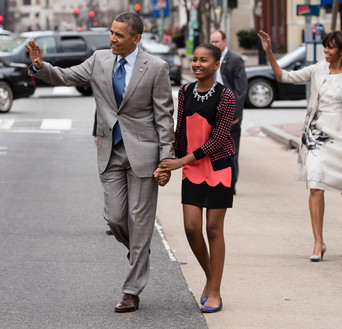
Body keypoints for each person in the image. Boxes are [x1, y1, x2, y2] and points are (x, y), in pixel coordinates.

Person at [25, 12, 175, 312]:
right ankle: (140, 251)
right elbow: (67, 76)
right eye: (111, 32)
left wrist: (166, 159)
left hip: (144, 152)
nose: (112, 39)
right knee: (116, 218)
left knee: (140, 220)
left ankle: (131, 290)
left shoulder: (156, 68)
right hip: (110, 150)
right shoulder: (98, 59)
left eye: (119, 35)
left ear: (136, 38)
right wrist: (41, 67)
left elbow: (164, 116)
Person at [258, 30, 342, 261]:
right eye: (325, 46)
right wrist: (269, 52)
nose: (325, 50)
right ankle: (318, 241)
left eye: (330, 47)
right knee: (315, 185)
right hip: (316, 137)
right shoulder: (317, 69)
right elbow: (283, 76)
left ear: (341, 51)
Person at [157, 43, 235, 313]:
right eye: (194, 59)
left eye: (204, 60)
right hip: (192, 167)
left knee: (214, 229)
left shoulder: (226, 97)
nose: (197, 64)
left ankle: (215, 291)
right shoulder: (185, 91)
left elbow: (218, 140)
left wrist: (180, 162)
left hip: (217, 166)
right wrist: (167, 164)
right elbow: (181, 132)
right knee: (191, 228)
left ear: (216, 65)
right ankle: (212, 278)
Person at [210, 30, 248, 195]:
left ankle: (230, 185)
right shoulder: (210, 59)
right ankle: (215, 182)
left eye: (217, 41)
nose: (214, 45)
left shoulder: (235, 60)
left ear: (224, 42)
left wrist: (234, 115)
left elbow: (241, 91)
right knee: (212, 149)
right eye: (212, 41)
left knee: (231, 150)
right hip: (212, 112)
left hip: (231, 113)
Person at [92, 110, 113, 236]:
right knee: (112, 181)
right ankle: (114, 220)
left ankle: (130, 220)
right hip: (109, 137)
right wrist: (96, 131)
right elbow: (100, 105)